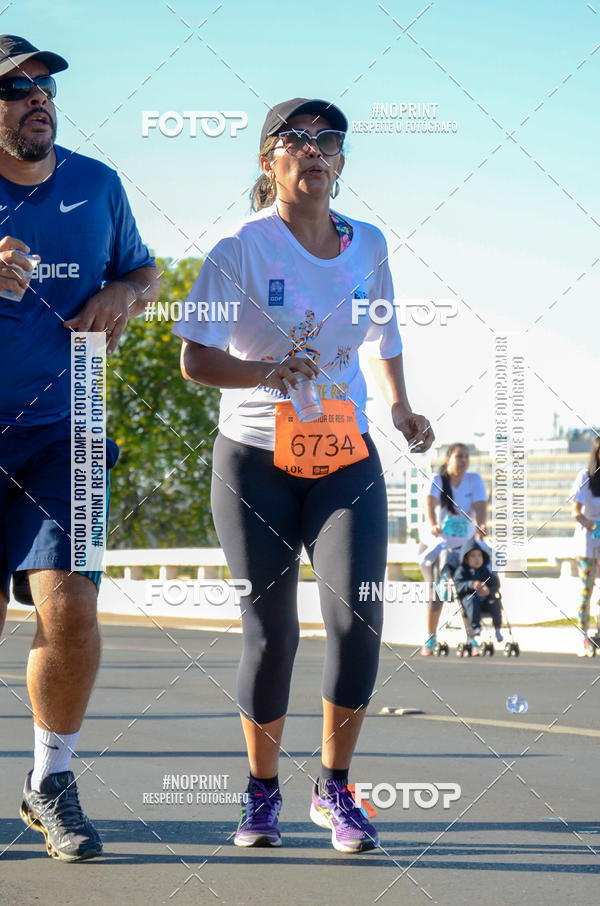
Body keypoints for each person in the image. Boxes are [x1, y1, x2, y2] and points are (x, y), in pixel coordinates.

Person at [174, 97, 433, 853]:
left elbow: (384, 333)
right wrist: (264, 371)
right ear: (269, 161)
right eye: (297, 139)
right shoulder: (240, 248)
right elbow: (193, 358)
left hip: (345, 454)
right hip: (255, 459)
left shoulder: (369, 243)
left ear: (342, 163)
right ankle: (261, 795)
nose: (315, 150)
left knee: (358, 616)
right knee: (272, 632)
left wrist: (402, 409)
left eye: (330, 141)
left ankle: (335, 788)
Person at [0, 35, 160, 860]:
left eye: (44, 86)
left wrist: (121, 293)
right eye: (16, 88)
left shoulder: (97, 183)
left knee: (70, 605)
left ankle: (50, 781)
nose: (37, 98)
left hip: (70, 426)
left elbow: (147, 272)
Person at [418, 442, 487, 655]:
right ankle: (431, 638)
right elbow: (429, 504)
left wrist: (482, 524)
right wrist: (433, 524)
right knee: (438, 590)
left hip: (462, 549)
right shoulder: (437, 480)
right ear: (448, 459)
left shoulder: (474, 481)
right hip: (436, 547)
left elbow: (480, 506)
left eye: (466, 456)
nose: (463, 460)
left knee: (467, 590)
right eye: (459, 456)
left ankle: (472, 639)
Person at [571, 436, 600, 657]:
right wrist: (590, 524)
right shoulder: (585, 477)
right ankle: (583, 637)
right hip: (588, 542)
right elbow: (576, 512)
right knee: (586, 590)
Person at [452, 538, 502, 652]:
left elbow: (495, 584)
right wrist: (471, 584)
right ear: (466, 558)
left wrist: (489, 590)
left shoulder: (485, 571)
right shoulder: (462, 571)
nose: (477, 559)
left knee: (495, 600)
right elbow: (458, 585)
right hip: (469, 599)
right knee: (471, 600)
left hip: (485, 600)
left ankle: (498, 627)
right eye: (473, 556)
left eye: (479, 556)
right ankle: (475, 627)